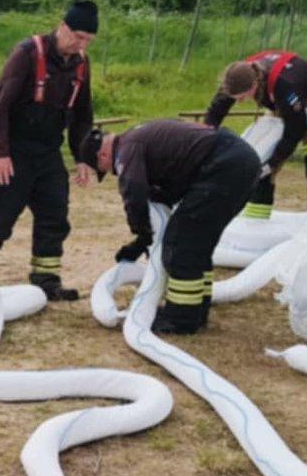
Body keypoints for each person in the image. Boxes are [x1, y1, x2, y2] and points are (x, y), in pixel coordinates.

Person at [0, 0, 100, 300]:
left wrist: (82, 157)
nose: (81, 44)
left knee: (55, 216)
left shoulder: (81, 64)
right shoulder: (27, 53)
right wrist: (0, 152)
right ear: (62, 27)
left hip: (49, 153)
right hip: (15, 151)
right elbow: (0, 105)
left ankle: (46, 281)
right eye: (77, 36)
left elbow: (82, 115)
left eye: (88, 40)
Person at [82, 118, 261, 336]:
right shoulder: (139, 139)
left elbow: (134, 192)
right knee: (197, 246)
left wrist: (142, 234)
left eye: (105, 169)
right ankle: (196, 310)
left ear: (103, 155)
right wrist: (141, 241)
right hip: (235, 162)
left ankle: (180, 319)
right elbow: (166, 191)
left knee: (181, 245)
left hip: (223, 166)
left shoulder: (127, 150)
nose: (112, 172)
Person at [205, 50, 307, 220]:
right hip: (280, 104)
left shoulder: (285, 84)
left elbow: (295, 129)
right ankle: (256, 221)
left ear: (255, 84)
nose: (240, 101)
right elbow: (215, 113)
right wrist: (205, 143)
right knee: (258, 162)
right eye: (236, 98)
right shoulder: (236, 77)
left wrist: (274, 162)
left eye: (243, 97)